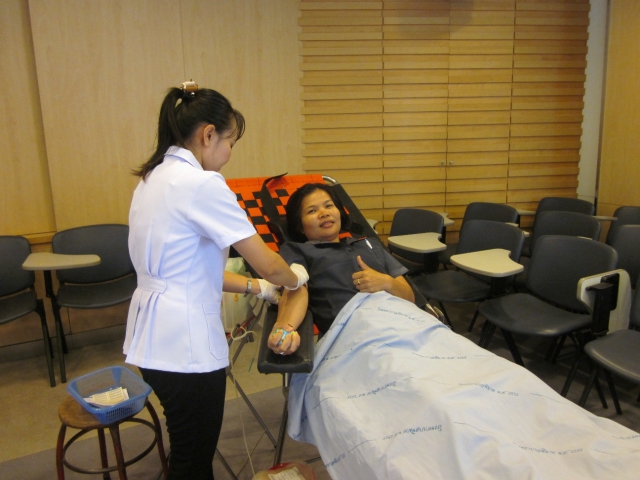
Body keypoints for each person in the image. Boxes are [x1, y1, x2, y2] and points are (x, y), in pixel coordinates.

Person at [123, 81, 308, 480]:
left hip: (152, 338)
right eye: (230, 142)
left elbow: (186, 270)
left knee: (186, 446)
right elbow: (268, 263)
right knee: (193, 458)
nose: (228, 154)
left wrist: (255, 287)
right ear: (208, 135)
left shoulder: (153, 178)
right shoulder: (203, 185)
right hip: (185, 345)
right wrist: (294, 279)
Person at [267, 182, 415, 355]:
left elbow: (410, 298)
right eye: (312, 211)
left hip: (407, 326)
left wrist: (387, 282)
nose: (324, 213)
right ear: (299, 225)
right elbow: (295, 289)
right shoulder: (298, 251)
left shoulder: (370, 245)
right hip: (358, 336)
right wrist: (285, 328)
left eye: (329, 206)